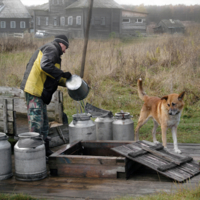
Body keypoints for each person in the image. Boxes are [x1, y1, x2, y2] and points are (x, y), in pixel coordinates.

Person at [20, 35, 71, 156]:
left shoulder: (55, 54)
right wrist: (63, 73)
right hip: (34, 91)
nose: (65, 51)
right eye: (65, 47)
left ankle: (45, 151)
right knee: (36, 124)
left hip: (40, 93)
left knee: (43, 124)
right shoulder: (51, 48)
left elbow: (54, 76)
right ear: (61, 43)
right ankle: (34, 154)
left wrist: (69, 82)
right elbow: (45, 66)